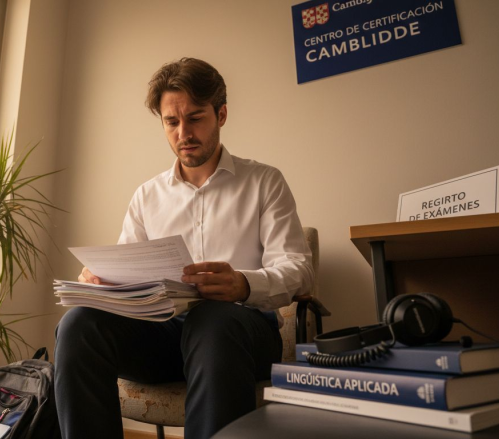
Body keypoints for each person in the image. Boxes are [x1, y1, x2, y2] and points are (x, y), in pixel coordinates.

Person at [54, 57, 315, 439]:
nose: (183, 133)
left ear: (221, 114)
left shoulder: (264, 182)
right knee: (77, 323)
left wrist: (243, 284)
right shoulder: (147, 196)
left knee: (213, 319)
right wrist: (105, 285)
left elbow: (298, 268)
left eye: (195, 118)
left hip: (242, 334)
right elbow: (130, 279)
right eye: (171, 122)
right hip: (163, 337)